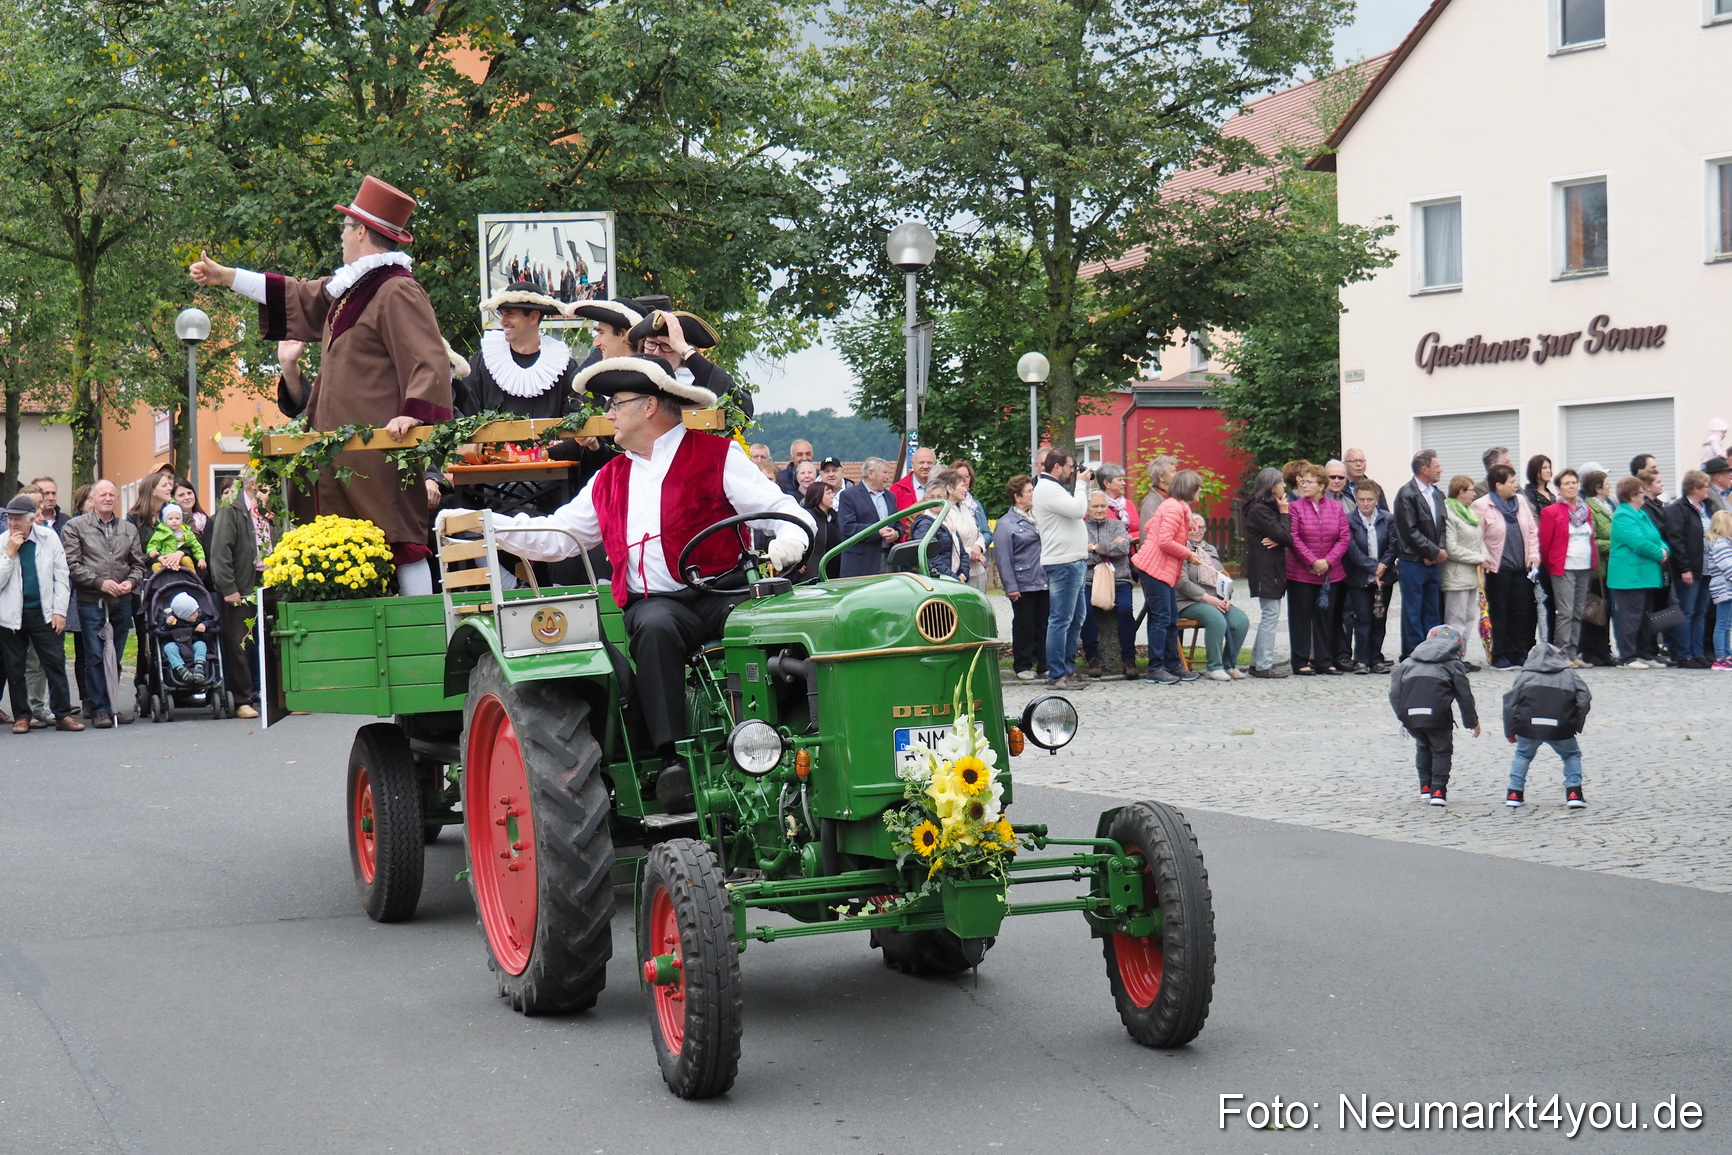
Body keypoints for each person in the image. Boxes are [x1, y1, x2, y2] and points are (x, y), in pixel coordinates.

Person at [440, 354, 811, 809]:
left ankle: (792, 741)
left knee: (779, 622)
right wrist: (484, 523)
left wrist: (791, 538)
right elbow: (558, 537)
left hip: (724, 592)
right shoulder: (610, 477)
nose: (609, 414)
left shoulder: (717, 455)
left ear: (650, 406)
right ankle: (671, 761)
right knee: (654, 625)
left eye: (616, 403)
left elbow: (782, 510)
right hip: (659, 606)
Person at [189, 174, 456, 596]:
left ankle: (418, 634)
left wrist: (414, 411)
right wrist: (229, 277)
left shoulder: (398, 290)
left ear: (362, 231)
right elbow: (298, 294)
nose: (342, 236)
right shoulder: (353, 290)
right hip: (346, 452)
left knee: (400, 542)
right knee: (351, 549)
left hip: (378, 450)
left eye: (346, 227)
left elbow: (429, 359)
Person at [62, 479, 147, 728]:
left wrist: (131, 583)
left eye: (112, 495)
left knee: (115, 655)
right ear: (93, 498)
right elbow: (72, 564)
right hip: (92, 600)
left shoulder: (128, 529)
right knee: (96, 656)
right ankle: (99, 708)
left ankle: (112, 706)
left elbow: (138, 564)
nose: (108, 498)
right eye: (103, 495)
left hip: (122, 600)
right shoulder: (75, 527)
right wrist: (100, 582)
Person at [0, 494, 82, 732]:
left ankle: (62, 714)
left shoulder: (49, 538)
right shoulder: (3, 542)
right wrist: (9, 554)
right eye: (10, 519)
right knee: (15, 669)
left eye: (18, 520)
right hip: (11, 616)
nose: (13, 524)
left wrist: (60, 611)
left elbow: (61, 576)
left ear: (31, 520)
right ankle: (22, 717)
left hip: (44, 613)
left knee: (54, 664)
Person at [1389, 624, 1480, 806]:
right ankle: (1438, 791)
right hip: (1438, 716)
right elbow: (1465, 697)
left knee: (1423, 746)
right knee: (1441, 750)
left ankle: (1425, 788)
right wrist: (1472, 722)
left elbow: (1394, 693)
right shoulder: (1453, 666)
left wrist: (1402, 716)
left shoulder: (1407, 663)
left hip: (1411, 716)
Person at [1132, 469, 1207, 686]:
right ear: (1188, 489)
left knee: (1170, 618)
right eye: (1198, 487)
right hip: (1155, 569)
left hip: (1163, 570)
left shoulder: (1178, 507)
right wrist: (1188, 554)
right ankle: (1156, 668)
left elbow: (1150, 526)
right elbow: (1164, 541)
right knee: (1162, 618)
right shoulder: (1174, 508)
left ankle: (1172, 664)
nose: (1200, 490)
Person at [207, 471, 272, 719]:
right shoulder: (231, 510)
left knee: (272, 640)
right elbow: (220, 551)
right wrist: (229, 588)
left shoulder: (269, 510)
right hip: (242, 584)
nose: (270, 489)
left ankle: (275, 696)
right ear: (252, 484)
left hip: (268, 581)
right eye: (266, 484)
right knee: (239, 643)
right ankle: (241, 699)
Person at [1502, 641, 1592, 809]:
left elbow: (1509, 704)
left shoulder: (1525, 675)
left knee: (1523, 755)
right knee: (1571, 755)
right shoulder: (1569, 675)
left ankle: (1514, 793)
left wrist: (1510, 731)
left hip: (1529, 725)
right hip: (1561, 725)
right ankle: (1574, 793)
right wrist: (1575, 724)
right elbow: (1584, 699)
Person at [1032, 450, 1092, 689]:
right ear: (1057, 467)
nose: (1073, 470)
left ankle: (1067, 669)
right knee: (1060, 620)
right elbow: (1079, 510)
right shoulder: (1047, 488)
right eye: (1070, 466)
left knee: (1075, 618)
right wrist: (1081, 485)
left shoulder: (1053, 488)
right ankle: (1056, 674)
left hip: (1072, 561)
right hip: (1063, 563)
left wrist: (1079, 486)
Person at [1471, 464, 1540, 669]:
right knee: (1499, 612)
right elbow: (1477, 537)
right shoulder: (1482, 506)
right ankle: (1498, 655)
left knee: (1521, 612)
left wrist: (1534, 555)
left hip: (1521, 567)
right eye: (1511, 481)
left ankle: (1518, 653)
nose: (1515, 485)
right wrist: (1484, 557)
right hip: (1497, 569)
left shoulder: (1521, 501)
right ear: (1498, 485)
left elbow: (1531, 531)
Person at [629, 308, 754, 420]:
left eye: (666, 345)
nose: (657, 352)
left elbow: (742, 409)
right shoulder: (630, 383)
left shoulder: (700, 383)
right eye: (651, 344)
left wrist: (686, 351)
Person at [1284, 463, 1349, 676]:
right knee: (1300, 617)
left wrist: (1327, 562)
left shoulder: (1336, 508)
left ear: (1322, 486)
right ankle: (1301, 660)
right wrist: (1313, 561)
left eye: (1309, 481)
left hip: (1330, 574)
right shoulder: (1295, 507)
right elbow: (1293, 537)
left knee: (1326, 617)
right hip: (1301, 573)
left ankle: (1325, 660)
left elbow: (1344, 537)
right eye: (1302, 481)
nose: (1304, 485)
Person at [1174, 512, 1248, 681]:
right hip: (1187, 601)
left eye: (1201, 527)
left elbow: (1222, 576)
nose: (1197, 531)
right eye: (1193, 527)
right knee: (1215, 618)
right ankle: (1214, 667)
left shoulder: (1210, 549)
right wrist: (1208, 599)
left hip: (1215, 599)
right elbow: (1182, 583)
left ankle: (1229, 664)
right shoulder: (1180, 549)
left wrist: (1225, 596)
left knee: (1241, 621)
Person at [1538, 469, 1597, 669]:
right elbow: (1545, 543)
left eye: (1574, 482)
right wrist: (1552, 564)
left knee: (1579, 611)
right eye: (1567, 483)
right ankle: (1561, 653)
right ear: (1559, 488)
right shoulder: (1551, 511)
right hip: (1564, 567)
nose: (1572, 486)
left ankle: (1573, 652)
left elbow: (1590, 537)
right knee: (1565, 611)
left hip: (1584, 566)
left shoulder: (1585, 510)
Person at [1608, 475, 1669, 668]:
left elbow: (1655, 537)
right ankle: (1627, 657)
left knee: (1644, 616)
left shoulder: (1641, 513)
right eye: (1642, 492)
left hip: (1646, 573)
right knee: (1630, 617)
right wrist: (1659, 553)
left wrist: (1664, 549)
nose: (1644, 495)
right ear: (1633, 495)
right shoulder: (1623, 515)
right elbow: (1638, 543)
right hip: (1629, 575)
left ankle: (1644, 653)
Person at [1393, 449, 1449, 659]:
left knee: (1432, 608)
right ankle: (1414, 653)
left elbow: (1443, 526)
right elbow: (1409, 530)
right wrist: (1433, 551)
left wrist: (1438, 552)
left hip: (1433, 562)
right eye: (1437, 467)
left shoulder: (1437, 494)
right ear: (1424, 469)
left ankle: (1432, 650)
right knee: (1413, 610)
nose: (1440, 470)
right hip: (1412, 561)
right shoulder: (1407, 494)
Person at [995, 476, 1047, 682]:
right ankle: (1023, 664)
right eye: (1029, 491)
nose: (1033, 494)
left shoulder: (1040, 517)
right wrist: (1011, 586)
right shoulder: (1006, 524)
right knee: (1024, 624)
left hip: (1044, 579)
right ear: (1017, 497)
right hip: (1023, 582)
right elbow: (1003, 558)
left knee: (1045, 624)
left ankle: (1045, 663)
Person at [1080, 491, 1135, 679]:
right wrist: (1109, 547)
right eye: (1095, 506)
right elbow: (1079, 551)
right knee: (1085, 611)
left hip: (1118, 579)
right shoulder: (1079, 527)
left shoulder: (1117, 525)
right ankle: (1092, 658)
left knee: (1126, 610)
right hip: (1088, 579)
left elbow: (1123, 548)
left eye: (1103, 506)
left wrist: (1094, 547)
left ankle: (1129, 659)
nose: (1099, 510)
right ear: (1087, 508)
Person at [1343, 479, 1395, 673]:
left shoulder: (1388, 518)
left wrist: (1383, 566)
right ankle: (1361, 659)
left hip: (1384, 577)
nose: (1365, 503)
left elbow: (1393, 545)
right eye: (1362, 499)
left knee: (1379, 618)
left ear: (1376, 499)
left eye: (1370, 500)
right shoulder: (1349, 520)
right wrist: (1373, 568)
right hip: (1359, 577)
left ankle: (1376, 658)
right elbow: (1352, 550)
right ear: (1356, 499)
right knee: (1363, 617)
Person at [1242, 467, 1290, 678]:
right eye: (1281, 483)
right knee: (1270, 615)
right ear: (1272, 486)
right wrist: (1284, 515)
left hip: (1269, 568)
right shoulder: (1260, 509)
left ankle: (1258, 662)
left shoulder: (1265, 507)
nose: (1284, 486)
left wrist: (1279, 536)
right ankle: (1263, 664)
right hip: (1265, 569)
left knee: (1269, 615)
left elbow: (1281, 536)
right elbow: (1285, 536)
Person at [1662, 470, 1713, 668]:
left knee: (1701, 611)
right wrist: (1684, 568)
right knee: (1687, 611)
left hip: (1707, 567)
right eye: (1705, 487)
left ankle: (1698, 652)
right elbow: (1677, 540)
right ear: (1694, 488)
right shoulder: (1679, 509)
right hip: (1690, 568)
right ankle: (1684, 654)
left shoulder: (1705, 507)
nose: (1708, 490)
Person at [1440, 475, 1490, 671]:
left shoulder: (1469, 513)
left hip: (1472, 576)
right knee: (1455, 619)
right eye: (1471, 490)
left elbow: (1479, 541)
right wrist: (1478, 558)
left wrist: (1485, 556)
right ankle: (1450, 657)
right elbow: (1451, 548)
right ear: (1460, 492)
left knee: (1469, 618)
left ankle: (1461, 655)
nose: (1474, 494)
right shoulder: (1450, 514)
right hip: (1456, 576)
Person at [835, 457, 899, 577]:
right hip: (861, 564)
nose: (888, 477)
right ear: (870, 473)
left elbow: (898, 522)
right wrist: (877, 532)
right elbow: (847, 527)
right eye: (884, 472)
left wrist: (896, 533)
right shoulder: (849, 495)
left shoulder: (890, 496)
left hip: (888, 560)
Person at [1580, 469, 1617, 666]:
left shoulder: (1609, 506)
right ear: (1597, 487)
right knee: (1594, 608)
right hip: (1597, 567)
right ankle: (1590, 649)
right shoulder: (1589, 507)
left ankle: (1604, 649)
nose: (1610, 485)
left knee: (1606, 609)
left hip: (1610, 567)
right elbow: (1591, 538)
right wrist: (1614, 544)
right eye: (1606, 482)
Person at [909, 468, 969, 582]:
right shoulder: (924, 523)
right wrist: (954, 578)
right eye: (932, 497)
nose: (936, 501)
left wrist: (963, 574)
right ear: (926, 500)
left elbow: (962, 551)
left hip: (955, 578)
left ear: (946, 498)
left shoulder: (948, 520)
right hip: (938, 581)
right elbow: (930, 558)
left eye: (940, 497)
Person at [156, 591, 214, 686]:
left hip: (193, 643)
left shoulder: (199, 615)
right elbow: (161, 629)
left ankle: (199, 667)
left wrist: (204, 624)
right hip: (177, 645)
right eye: (191, 614)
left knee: (201, 645)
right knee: (169, 647)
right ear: (182, 616)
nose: (196, 615)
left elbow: (212, 622)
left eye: (196, 611)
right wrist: (167, 623)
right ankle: (181, 669)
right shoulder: (173, 620)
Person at [950, 460, 991, 593]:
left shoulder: (973, 505)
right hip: (958, 569)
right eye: (960, 477)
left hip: (978, 567)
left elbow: (984, 532)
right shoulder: (945, 509)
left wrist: (978, 547)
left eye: (966, 476)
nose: (964, 481)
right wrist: (969, 552)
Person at [787, 481, 840, 583]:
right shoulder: (808, 517)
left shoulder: (835, 517)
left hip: (833, 575)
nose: (832, 496)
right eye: (828, 493)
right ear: (818, 495)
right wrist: (795, 563)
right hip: (812, 576)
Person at [1705, 510, 1732, 670]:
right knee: (1722, 623)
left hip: (1726, 587)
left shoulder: (1724, 543)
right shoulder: (1720, 544)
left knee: (1727, 624)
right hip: (1724, 587)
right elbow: (1727, 567)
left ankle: (1727, 654)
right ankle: (1721, 657)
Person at [147, 504, 207, 574]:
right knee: (155, 566)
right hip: (165, 559)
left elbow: (196, 546)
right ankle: (161, 581)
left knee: (187, 560)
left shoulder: (187, 533)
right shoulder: (161, 533)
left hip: (181, 558)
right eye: (170, 519)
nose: (174, 521)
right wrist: (152, 551)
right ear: (165, 521)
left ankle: (192, 578)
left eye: (177, 518)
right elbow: (153, 543)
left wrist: (201, 558)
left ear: (181, 520)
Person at [1094, 464, 1138, 537]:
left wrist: (1130, 536)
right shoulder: (1097, 506)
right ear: (1107, 483)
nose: (1124, 483)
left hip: (1131, 548)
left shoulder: (1128, 504)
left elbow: (1142, 531)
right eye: (1120, 480)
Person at [890, 447, 939, 511]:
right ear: (912, 464)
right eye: (921, 462)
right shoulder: (898, 490)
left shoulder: (944, 487)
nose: (925, 466)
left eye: (929, 463)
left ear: (935, 464)